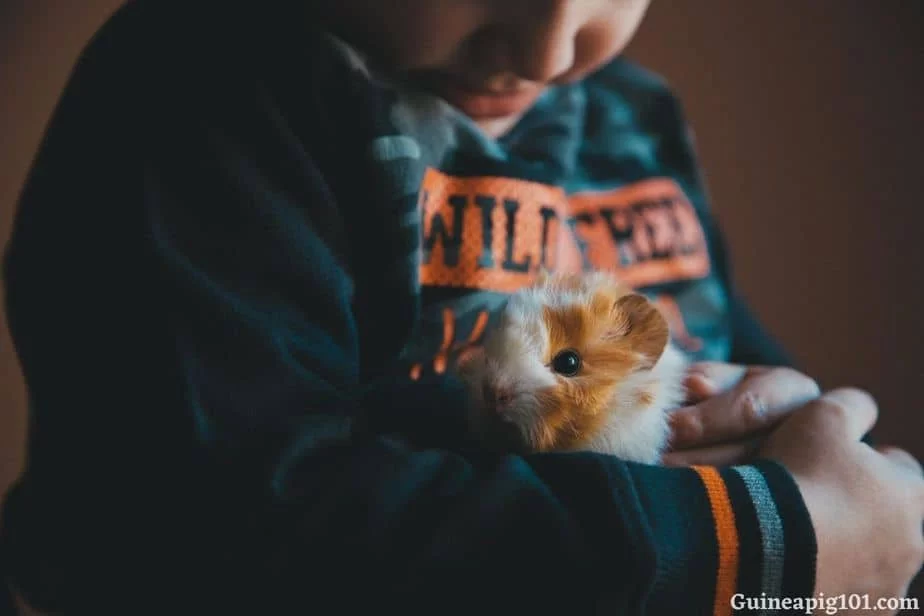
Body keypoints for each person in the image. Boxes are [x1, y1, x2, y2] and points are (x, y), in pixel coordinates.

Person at [1, 0, 921, 613]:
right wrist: (748, 543)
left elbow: (758, 390)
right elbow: (238, 524)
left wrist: (845, 493)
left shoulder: (636, 116)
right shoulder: (199, 87)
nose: (551, 51)